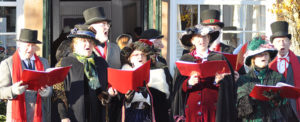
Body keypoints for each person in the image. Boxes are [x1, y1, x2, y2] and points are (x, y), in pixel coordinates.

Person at [172, 25, 237, 122]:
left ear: (209, 39)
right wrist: (188, 83)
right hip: (191, 112)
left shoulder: (219, 58)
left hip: (213, 112)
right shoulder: (185, 59)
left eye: (205, 37)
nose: (201, 40)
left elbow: (229, 85)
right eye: (198, 37)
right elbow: (177, 87)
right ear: (192, 41)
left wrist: (218, 82)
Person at [53, 25, 109, 122]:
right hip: (73, 116)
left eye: (91, 41)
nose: (88, 44)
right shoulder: (63, 63)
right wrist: (63, 116)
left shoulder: (101, 63)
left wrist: (110, 94)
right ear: (74, 44)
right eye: (83, 41)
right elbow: (58, 94)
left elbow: (108, 88)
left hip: (97, 116)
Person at [236, 36, 298, 121]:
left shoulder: (278, 77)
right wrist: (251, 99)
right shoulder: (244, 79)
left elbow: (285, 106)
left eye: (266, 54)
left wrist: (277, 99)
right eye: (260, 55)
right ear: (253, 58)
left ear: (269, 57)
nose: (263, 57)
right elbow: (241, 111)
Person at [0, 28, 52, 122]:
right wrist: (13, 90)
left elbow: (49, 87)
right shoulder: (7, 64)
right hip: (16, 117)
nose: (30, 49)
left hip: (39, 115)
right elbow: (1, 91)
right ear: (19, 44)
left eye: (33, 45)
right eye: (27, 45)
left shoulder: (44, 62)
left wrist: (48, 91)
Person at [120, 41, 172, 122]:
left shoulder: (157, 73)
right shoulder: (124, 73)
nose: (140, 57)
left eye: (143, 54)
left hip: (149, 115)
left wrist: (147, 94)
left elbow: (162, 100)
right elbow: (117, 102)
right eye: (136, 55)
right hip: (129, 115)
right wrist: (127, 99)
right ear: (130, 59)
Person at [269, 21, 300, 118]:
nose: (282, 44)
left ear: (290, 43)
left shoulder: (299, 61)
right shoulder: (267, 63)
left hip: (295, 109)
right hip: (274, 109)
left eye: (285, 40)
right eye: (278, 41)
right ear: (273, 44)